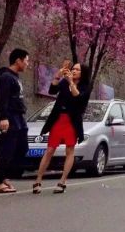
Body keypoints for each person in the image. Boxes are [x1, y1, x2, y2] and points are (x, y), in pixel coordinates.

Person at [33, 62, 92, 194]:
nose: (74, 71)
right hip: (58, 119)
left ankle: (62, 181)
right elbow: (52, 91)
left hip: (72, 122)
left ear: (83, 73)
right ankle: (38, 180)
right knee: (50, 149)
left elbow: (78, 98)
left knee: (69, 150)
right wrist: (57, 76)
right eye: (73, 69)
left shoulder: (85, 87)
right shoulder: (64, 83)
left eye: (77, 70)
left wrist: (71, 82)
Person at [0, 48, 30, 194]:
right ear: (18, 60)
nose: (27, 64)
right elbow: (2, 99)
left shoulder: (15, 77)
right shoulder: (6, 77)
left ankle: (4, 176)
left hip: (19, 117)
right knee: (7, 150)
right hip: (11, 117)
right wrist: (3, 117)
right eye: (26, 60)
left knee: (22, 148)